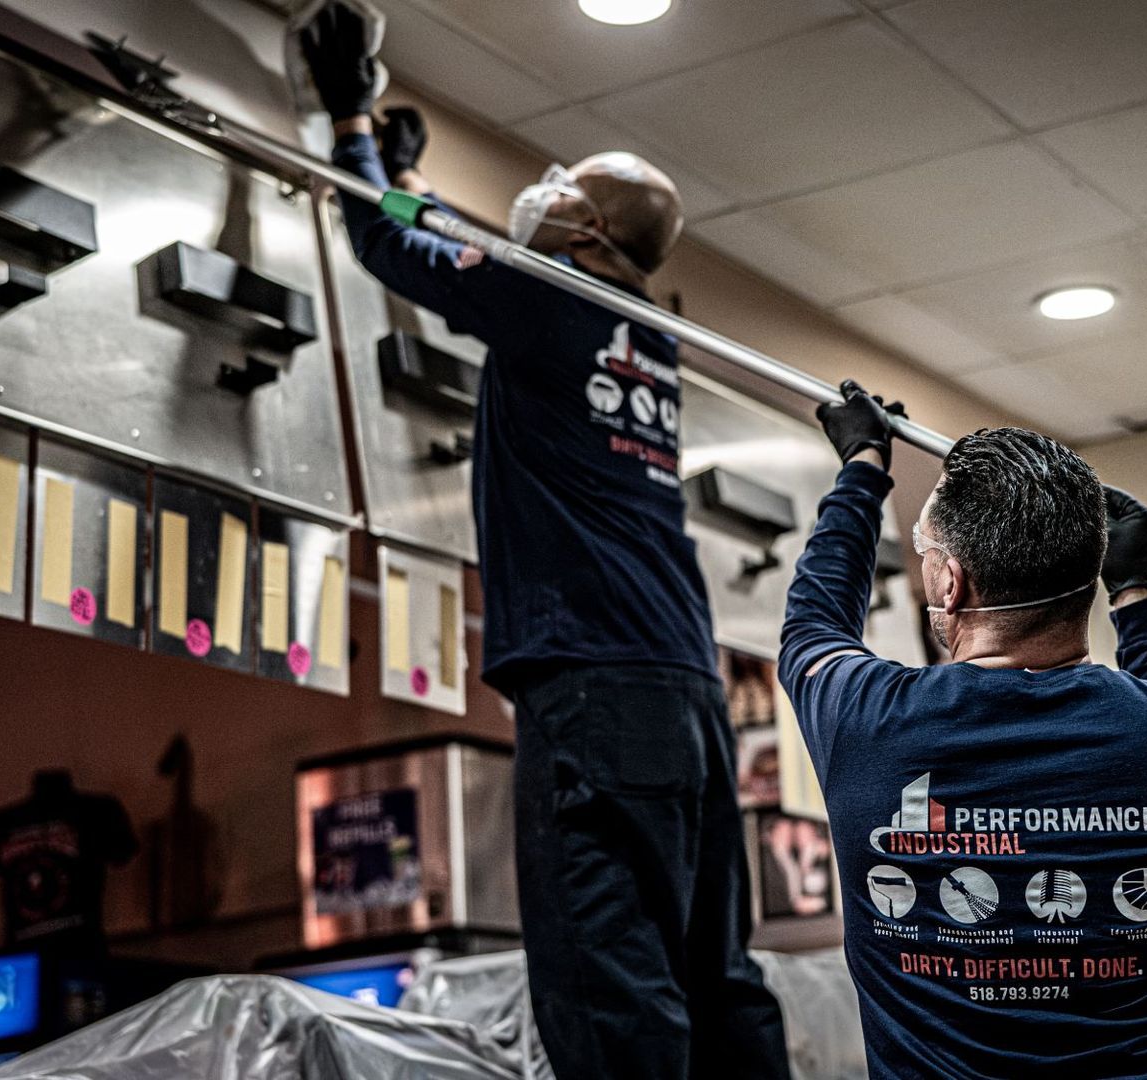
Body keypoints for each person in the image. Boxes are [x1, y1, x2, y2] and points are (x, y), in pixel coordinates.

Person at [298, 8, 791, 1079]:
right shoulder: (641, 330)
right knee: (715, 976)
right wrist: (411, 183)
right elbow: (441, 234)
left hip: (596, 696)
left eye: (562, 189)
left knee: (609, 986)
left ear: (584, 234)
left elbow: (387, 236)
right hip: (688, 697)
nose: (544, 186)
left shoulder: (544, 294)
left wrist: (352, 120)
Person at [780, 384, 1147, 1077]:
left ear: (951, 583)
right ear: (1087, 576)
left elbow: (813, 625)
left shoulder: (869, 722)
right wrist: (1135, 593)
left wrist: (862, 464)